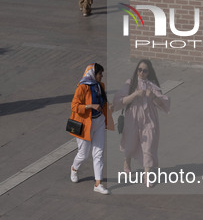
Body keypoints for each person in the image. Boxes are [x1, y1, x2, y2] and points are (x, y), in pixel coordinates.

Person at [113, 60, 170, 187]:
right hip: (132, 117)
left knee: (148, 145)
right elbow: (120, 101)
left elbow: (163, 105)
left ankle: (147, 175)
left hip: (149, 119)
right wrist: (135, 94)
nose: (141, 73)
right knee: (130, 142)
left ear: (149, 72)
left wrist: (154, 97)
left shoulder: (152, 85)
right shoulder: (130, 83)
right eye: (139, 69)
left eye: (145, 71)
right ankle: (127, 162)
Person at [69, 63, 113, 195]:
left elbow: (103, 103)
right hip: (85, 124)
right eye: (100, 74)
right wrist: (90, 106)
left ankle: (98, 184)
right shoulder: (82, 88)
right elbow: (74, 106)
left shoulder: (101, 85)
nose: (102, 76)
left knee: (98, 153)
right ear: (93, 74)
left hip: (98, 122)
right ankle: (74, 168)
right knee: (83, 154)